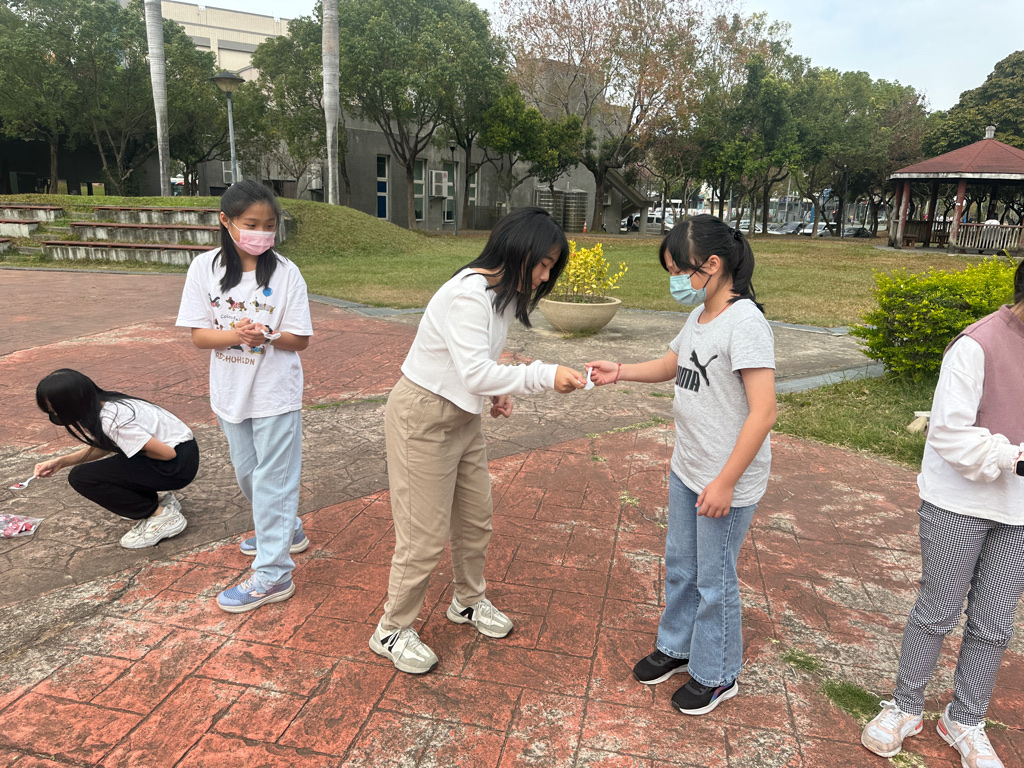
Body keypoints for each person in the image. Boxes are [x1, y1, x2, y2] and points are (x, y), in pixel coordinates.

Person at [370, 206, 586, 675]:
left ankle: (467, 602)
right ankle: (391, 629)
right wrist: (542, 375)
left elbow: (477, 365)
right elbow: (474, 371)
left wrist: (496, 390)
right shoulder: (469, 294)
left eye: (551, 267)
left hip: (461, 418)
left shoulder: (501, 295)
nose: (544, 276)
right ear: (517, 249)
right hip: (421, 417)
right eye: (543, 264)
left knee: (475, 520)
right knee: (423, 538)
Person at [587, 214, 776, 715]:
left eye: (680, 271)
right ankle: (677, 646)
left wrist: (726, 482)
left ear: (712, 265)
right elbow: (674, 364)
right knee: (682, 566)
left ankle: (717, 674)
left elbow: (764, 412)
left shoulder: (746, 323)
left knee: (715, 580)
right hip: (688, 469)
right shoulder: (700, 318)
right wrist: (620, 371)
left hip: (724, 481)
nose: (677, 282)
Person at [860, 260, 1024, 768]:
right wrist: (1014, 457)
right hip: (959, 502)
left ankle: (965, 719)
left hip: (1018, 511)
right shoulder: (978, 345)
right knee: (937, 610)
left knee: (995, 622)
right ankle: (905, 707)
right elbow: (949, 433)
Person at [176, 180, 313, 614]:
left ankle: (274, 574)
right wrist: (238, 334)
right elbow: (200, 336)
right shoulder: (205, 269)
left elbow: (300, 339)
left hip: (275, 393)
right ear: (226, 221)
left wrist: (267, 335)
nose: (261, 233)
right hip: (230, 392)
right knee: (248, 474)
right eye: (251, 224)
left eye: (269, 225)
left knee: (273, 481)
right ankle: (286, 529)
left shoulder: (287, 273)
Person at [33, 368, 198, 549]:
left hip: (176, 466)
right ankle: (158, 503)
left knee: (82, 477)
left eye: (55, 409)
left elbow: (166, 454)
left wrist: (129, 455)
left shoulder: (113, 420)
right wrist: (61, 462)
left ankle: (162, 517)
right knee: (110, 465)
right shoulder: (110, 403)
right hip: (184, 454)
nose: (54, 414)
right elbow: (107, 445)